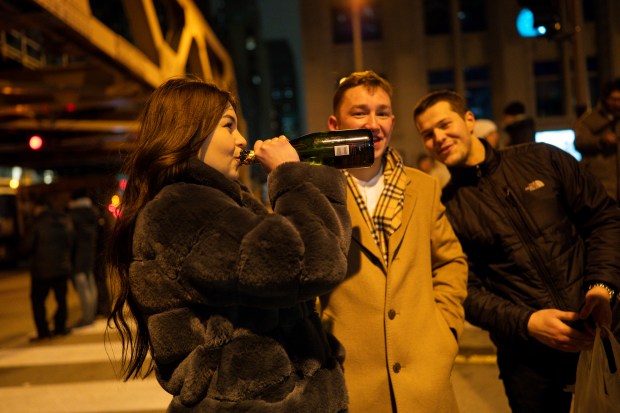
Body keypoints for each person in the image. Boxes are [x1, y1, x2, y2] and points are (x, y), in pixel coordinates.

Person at [106, 77, 351, 412]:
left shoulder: (221, 205)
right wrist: (290, 174)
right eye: (228, 125)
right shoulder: (185, 209)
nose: (242, 140)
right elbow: (310, 265)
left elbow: (325, 253)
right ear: (191, 132)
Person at [413, 90, 620, 413]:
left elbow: (603, 218)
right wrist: (528, 322)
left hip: (603, 334)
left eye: (444, 124)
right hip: (529, 365)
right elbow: (463, 290)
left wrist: (603, 287)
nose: (438, 137)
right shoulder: (444, 209)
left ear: (469, 121)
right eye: (427, 134)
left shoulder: (541, 159)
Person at [320, 71, 468, 413]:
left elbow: (451, 262)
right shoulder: (315, 191)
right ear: (335, 124)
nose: (374, 124)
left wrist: (445, 332)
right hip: (350, 384)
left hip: (425, 383)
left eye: (382, 112)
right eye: (359, 113)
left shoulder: (424, 187)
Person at [25, 193, 74, 342]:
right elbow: (72, 241)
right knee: (61, 299)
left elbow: (26, 246)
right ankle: (60, 327)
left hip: (42, 270)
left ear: (39, 207)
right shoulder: (64, 219)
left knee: (38, 300)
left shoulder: (37, 223)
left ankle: (44, 331)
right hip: (62, 266)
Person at [573, 78, 620, 200]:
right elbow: (579, 142)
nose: (617, 104)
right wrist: (600, 141)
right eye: (614, 100)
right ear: (605, 99)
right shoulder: (590, 119)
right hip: (603, 182)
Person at [67, 189, 99, 327]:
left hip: (78, 256)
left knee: (82, 287)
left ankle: (86, 318)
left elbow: (70, 238)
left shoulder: (73, 216)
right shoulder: (93, 212)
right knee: (90, 284)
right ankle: (91, 315)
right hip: (90, 253)